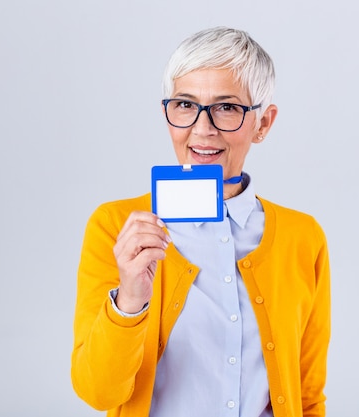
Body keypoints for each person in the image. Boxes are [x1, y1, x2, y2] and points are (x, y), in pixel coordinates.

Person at [71, 27, 331, 417]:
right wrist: (129, 300)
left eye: (227, 107)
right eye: (185, 105)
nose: (202, 128)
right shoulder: (116, 226)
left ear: (263, 123)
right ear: (167, 114)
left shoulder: (302, 237)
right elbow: (98, 392)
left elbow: (308, 397)